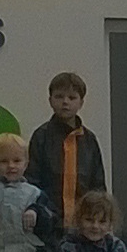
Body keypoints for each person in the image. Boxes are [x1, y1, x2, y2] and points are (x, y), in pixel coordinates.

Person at [25, 70, 106, 228]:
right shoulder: (41, 136)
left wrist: (98, 217)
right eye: (59, 96)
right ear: (50, 100)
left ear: (81, 103)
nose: (65, 102)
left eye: (72, 97)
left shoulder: (89, 140)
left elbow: (98, 185)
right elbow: (32, 180)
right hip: (48, 223)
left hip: (83, 224)